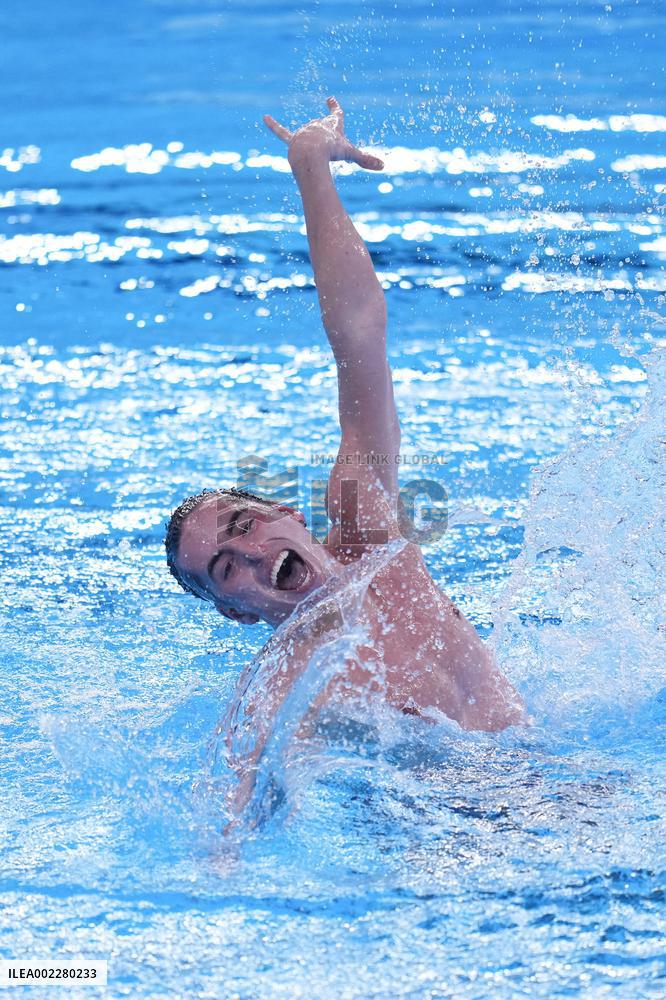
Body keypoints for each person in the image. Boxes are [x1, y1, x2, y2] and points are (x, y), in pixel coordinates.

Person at [165, 98, 525, 814]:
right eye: (225, 569)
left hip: (548, 774)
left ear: (289, 513)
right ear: (236, 613)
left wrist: (311, 171)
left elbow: (360, 341)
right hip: (444, 837)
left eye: (244, 525)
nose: (253, 554)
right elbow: (230, 809)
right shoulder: (277, 688)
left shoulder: (372, 535)